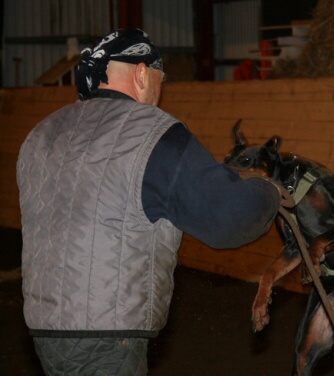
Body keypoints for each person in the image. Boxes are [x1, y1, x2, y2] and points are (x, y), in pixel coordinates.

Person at [16, 28, 280, 376]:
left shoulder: (42, 134)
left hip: (45, 327)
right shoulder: (152, 133)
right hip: (109, 333)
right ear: (142, 74)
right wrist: (269, 191)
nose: (161, 88)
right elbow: (229, 217)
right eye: (161, 77)